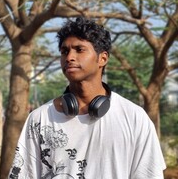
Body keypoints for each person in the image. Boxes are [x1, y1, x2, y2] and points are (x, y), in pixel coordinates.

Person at [9, 17, 166, 179]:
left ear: (102, 58)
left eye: (79, 49)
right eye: (64, 51)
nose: (69, 57)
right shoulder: (39, 119)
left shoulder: (134, 118)